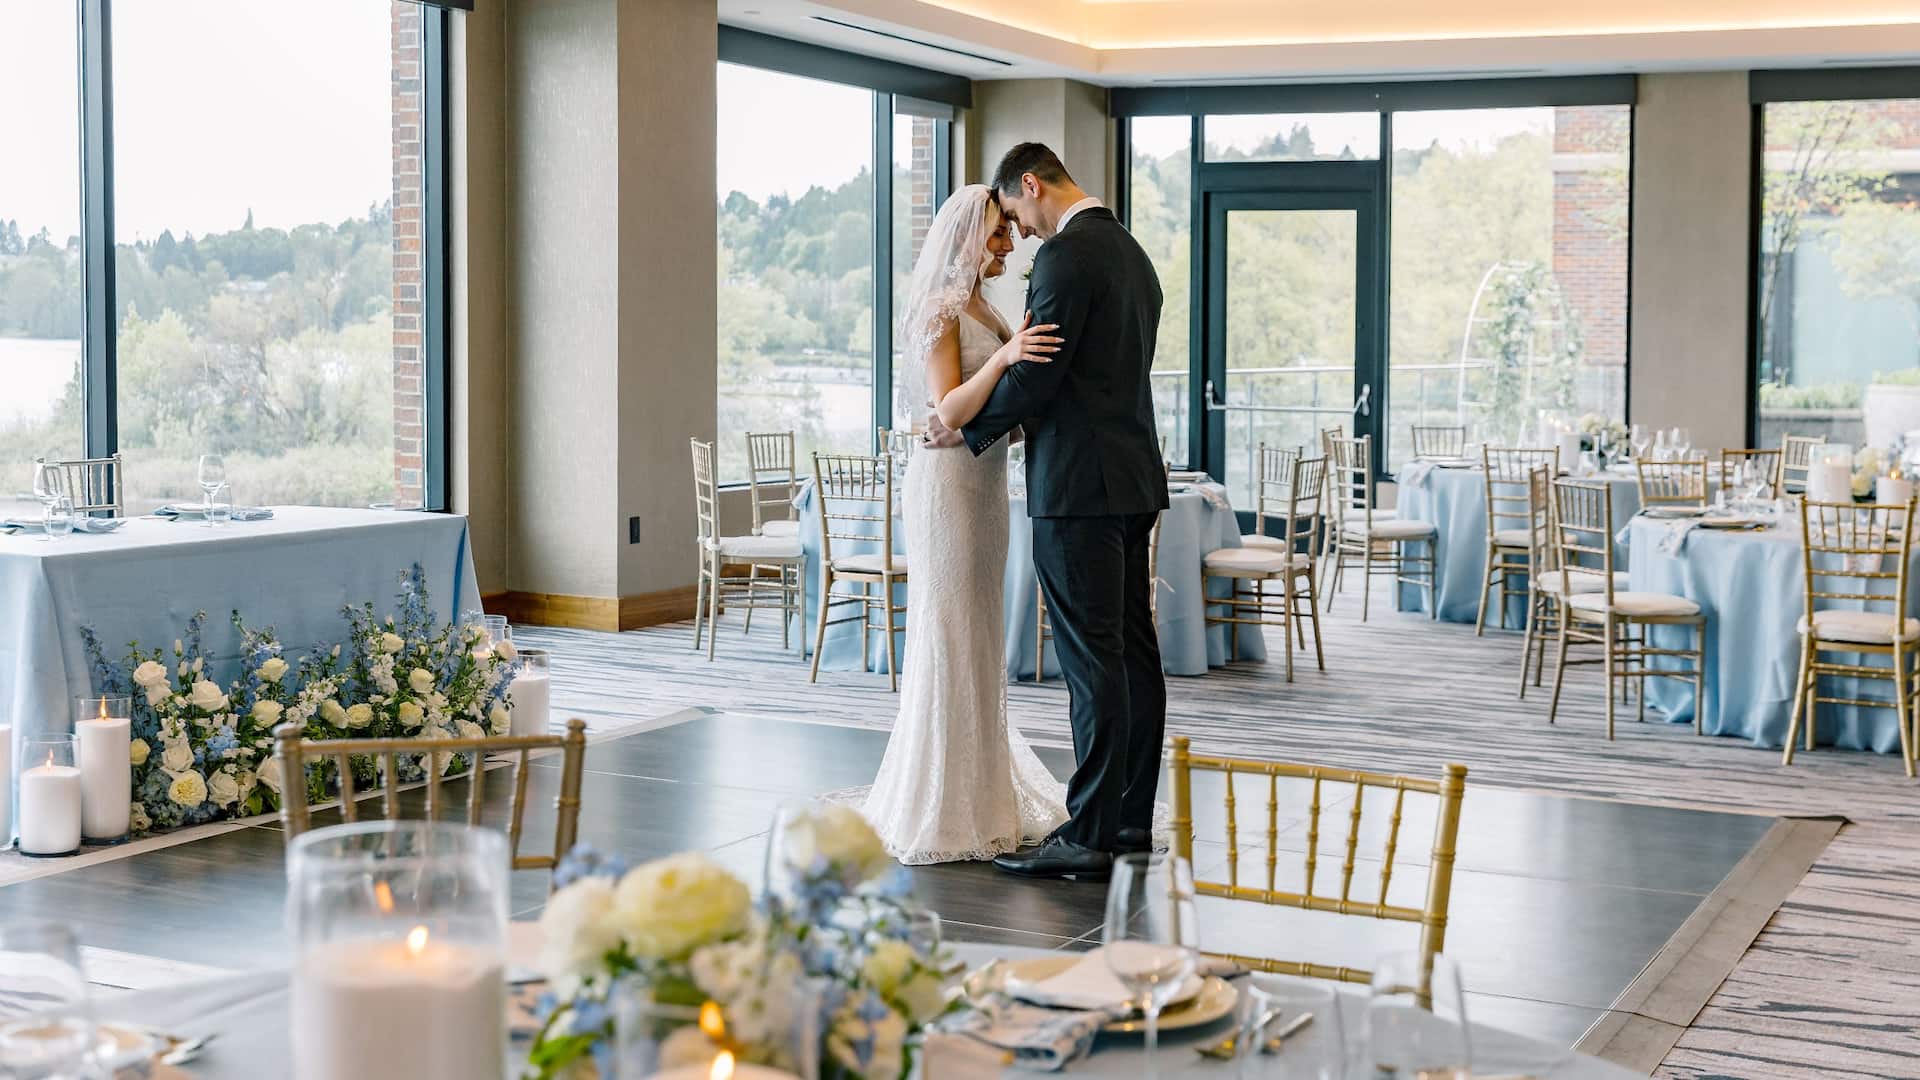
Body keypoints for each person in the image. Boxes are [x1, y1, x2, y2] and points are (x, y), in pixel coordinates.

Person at [928, 142, 1168, 882]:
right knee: (1132, 653)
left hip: (1078, 489)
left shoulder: (1069, 258)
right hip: (1131, 479)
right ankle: (1127, 820)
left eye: (1019, 215)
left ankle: (1090, 834)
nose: (1023, 232)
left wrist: (967, 426)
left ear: (1031, 184)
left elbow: (1038, 377)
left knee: (1092, 659)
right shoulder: (1134, 256)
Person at [858, 183, 1071, 864]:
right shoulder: (941, 309)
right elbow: (947, 410)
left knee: (978, 631)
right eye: (998, 234)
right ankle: (943, 799)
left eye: (1009, 232)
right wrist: (1007, 358)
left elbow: (980, 412)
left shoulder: (982, 303)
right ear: (967, 239)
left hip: (984, 487)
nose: (1009, 243)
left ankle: (983, 790)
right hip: (947, 491)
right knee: (949, 630)